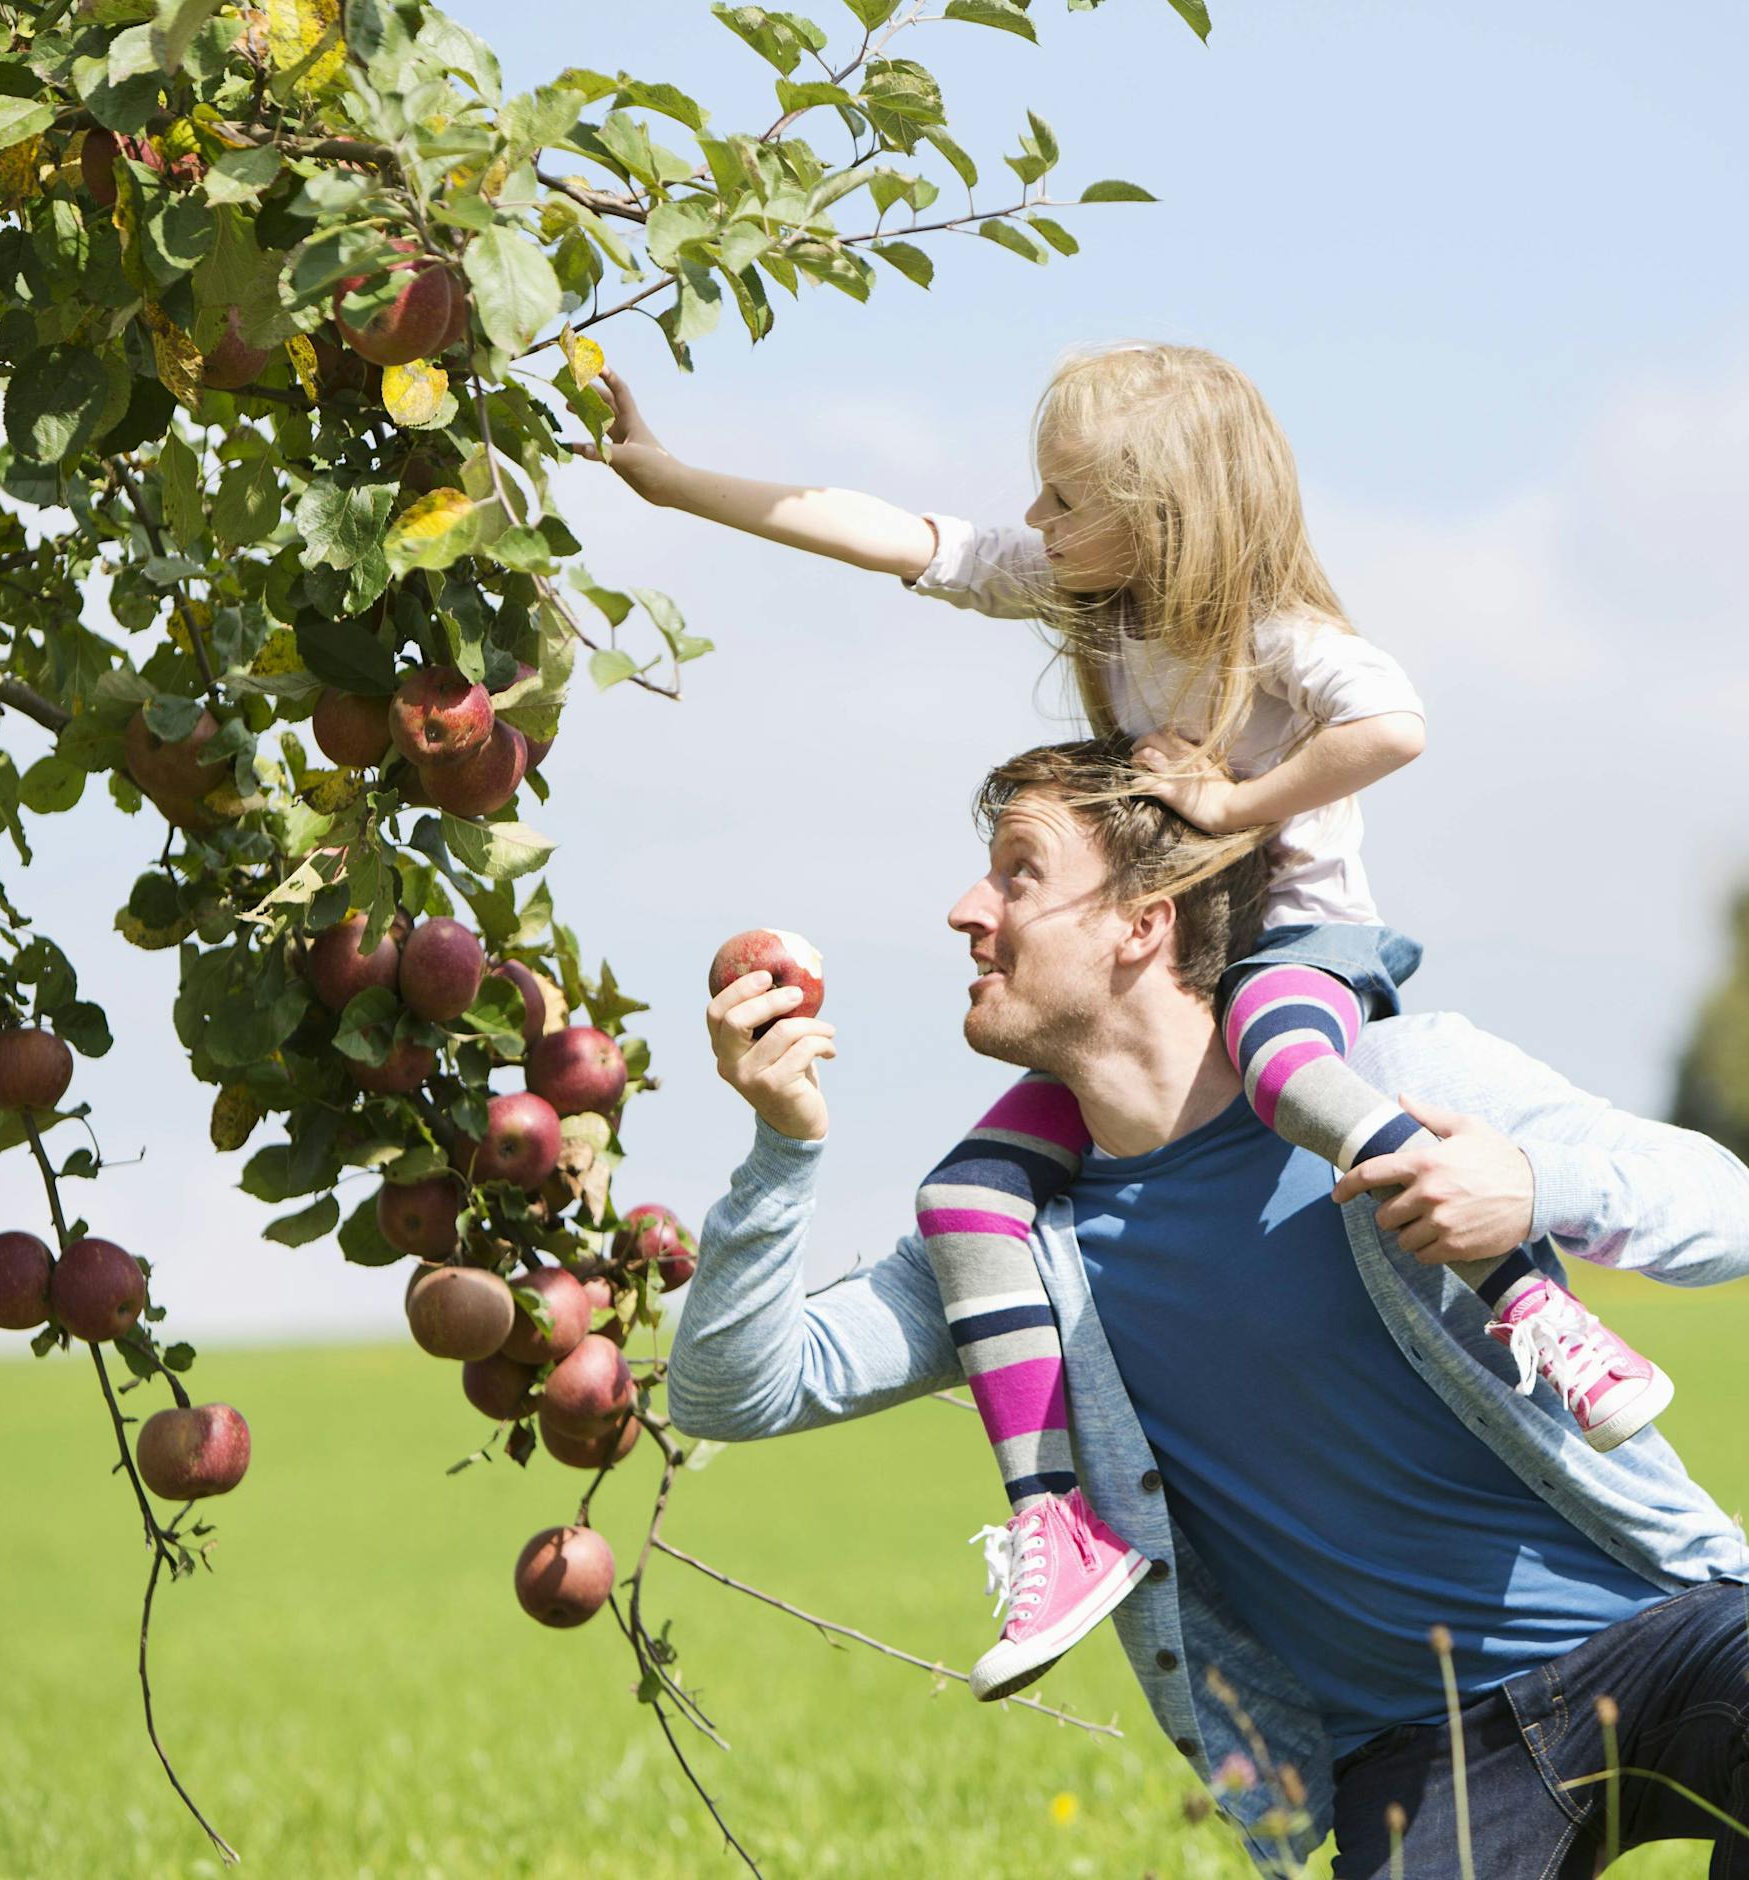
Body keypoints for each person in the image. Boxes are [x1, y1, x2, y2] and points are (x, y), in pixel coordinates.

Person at [579, 344, 1671, 1702]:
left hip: (1297, 951)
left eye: (1062, 501)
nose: (1031, 525)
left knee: (1286, 1063)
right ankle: (1054, 1510)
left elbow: (1393, 722)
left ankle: (1532, 1307)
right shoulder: (1087, 594)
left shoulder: (1269, 638)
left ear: (1160, 519)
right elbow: (900, 539)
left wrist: (1233, 808)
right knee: (970, 1190)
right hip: (1408, 1729)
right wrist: (672, 483)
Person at [665, 736, 1749, 1878]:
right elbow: (734, 1387)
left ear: (1145, 921)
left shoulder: (1401, 1077)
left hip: (1661, 1633)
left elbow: (1726, 1204)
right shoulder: (1012, 1254)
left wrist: (1533, 1185)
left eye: (1017, 870)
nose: (964, 909)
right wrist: (781, 1147)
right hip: (1423, 1753)